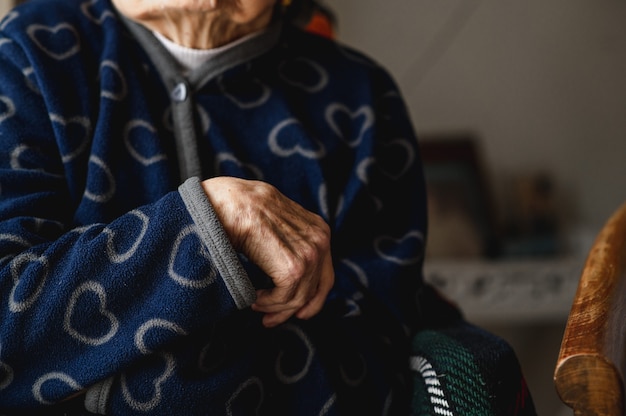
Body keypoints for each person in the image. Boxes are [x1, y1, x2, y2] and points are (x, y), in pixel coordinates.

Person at [0, 0, 536, 415]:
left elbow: (369, 357)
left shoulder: (358, 99)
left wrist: (116, 380)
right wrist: (210, 222)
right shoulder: (29, 57)